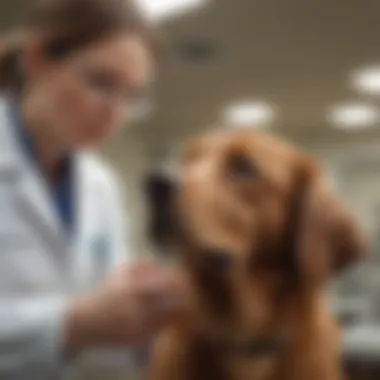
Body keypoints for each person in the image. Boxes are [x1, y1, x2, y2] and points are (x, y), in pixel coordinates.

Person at [0, 0, 183, 379]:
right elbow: (81, 325)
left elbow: (103, 343)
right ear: (37, 59)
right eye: (101, 82)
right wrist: (72, 324)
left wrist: (144, 318)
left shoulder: (101, 184)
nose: (115, 114)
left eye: (133, 96)